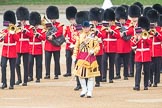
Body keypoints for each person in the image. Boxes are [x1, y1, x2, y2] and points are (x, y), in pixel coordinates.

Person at [72, 21, 100, 98]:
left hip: (90, 57)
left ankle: (90, 91)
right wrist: (74, 56)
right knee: (81, 75)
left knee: (91, 76)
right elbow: (76, 47)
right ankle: (84, 89)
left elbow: (97, 47)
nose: (86, 29)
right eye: (84, 27)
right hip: (82, 57)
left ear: (89, 28)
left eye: (87, 27)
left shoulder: (93, 36)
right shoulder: (80, 36)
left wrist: (93, 51)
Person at [0, 10, 19, 89]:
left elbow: (17, 39)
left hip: (12, 52)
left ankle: (12, 84)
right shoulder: (4, 31)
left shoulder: (15, 30)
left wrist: (12, 32)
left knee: (12, 68)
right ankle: (4, 83)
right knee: (3, 66)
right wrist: (2, 37)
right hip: (4, 52)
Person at [132, 16, 152, 91]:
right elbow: (133, 45)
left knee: (146, 71)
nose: (143, 30)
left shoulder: (148, 35)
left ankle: (146, 85)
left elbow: (150, 43)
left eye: (144, 28)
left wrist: (145, 38)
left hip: (146, 55)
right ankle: (137, 85)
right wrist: (137, 39)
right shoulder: (136, 35)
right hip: (139, 55)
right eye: (142, 28)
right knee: (138, 71)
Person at [44, 6, 63, 79]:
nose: (52, 20)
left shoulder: (59, 24)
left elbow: (60, 32)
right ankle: (47, 74)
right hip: (48, 45)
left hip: (56, 46)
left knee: (56, 61)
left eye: (53, 18)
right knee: (47, 61)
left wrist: (53, 36)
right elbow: (43, 32)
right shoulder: (46, 25)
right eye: (51, 18)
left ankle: (56, 74)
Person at [15, 7, 33, 86]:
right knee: (16, 63)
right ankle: (19, 79)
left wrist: (25, 31)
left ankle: (25, 80)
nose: (22, 21)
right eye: (21, 20)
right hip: (18, 48)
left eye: (24, 20)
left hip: (26, 48)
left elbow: (31, 36)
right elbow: (15, 36)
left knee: (26, 65)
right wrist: (18, 29)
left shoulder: (29, 27)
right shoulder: (16, 27)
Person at [101, 8, 119, 83]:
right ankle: (104, 77)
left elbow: (118, 36)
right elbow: (102, 36)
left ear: (113, 21)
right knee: (104, 62)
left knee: (112, 63)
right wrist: (106, 31)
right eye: (107, 21)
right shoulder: (103, 28)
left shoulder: (116, 27)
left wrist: (111, 31)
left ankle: (111, 78)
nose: (109, 22)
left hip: (113, 48)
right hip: (105, 48)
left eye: (110, 21)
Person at [73, 11, 89, 91]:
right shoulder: (76, 35)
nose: (79, 31)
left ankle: (85, 84)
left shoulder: (87, 35)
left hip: (85, 55)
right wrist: (74, 55)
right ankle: (78, 84)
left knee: (85, 70)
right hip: (78, 55)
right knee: (77, 70)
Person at [28, 12, 45, 82]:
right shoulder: (30, 30)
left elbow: (44, 38)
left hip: (38, 49)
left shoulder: (41, 30)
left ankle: (38, 77)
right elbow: (28, 36)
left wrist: (38, 35)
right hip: (31, 49)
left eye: (37, 25)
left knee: (38, 64)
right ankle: (30, 76)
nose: (36, 26)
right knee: (30, 63)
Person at [146, 9, 162, 87]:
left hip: (157, 51)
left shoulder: (159, 29)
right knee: (150, 67)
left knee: (157, 67)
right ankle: (150, 80)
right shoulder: (147, 29)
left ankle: (156, 81)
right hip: (149, 51)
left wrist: (156, 33)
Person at [89, 7, 104, 87]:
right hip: (91, 49)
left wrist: (97, 31)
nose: (94, 22)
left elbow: (103, 36)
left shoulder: (101, 27)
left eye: (95, 20)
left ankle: (98, 81)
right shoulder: (89, 28)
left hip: (98, 50)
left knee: (98, 66)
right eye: (93, 20)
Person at [63, 6, 77, 77]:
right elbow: (64, 36)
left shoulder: (78, 27)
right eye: (71, 20)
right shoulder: (67, 28)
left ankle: (76, 71)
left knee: (76, 59)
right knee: (68, 58)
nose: (72, 21)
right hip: (68, 46)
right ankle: (68, 72)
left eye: (73, 19)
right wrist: (66, 39)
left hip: (76, 46)